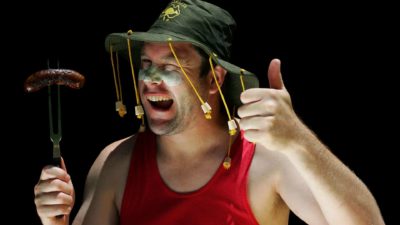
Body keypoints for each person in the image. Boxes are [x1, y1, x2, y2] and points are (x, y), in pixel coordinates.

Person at [33, 0, 385, 224]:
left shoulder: (265, 162)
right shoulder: (116, 163)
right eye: (145, 63)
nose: (149, 79)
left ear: (214, 79)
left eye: (171, 66)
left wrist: (299, 141)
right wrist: (54, 222)